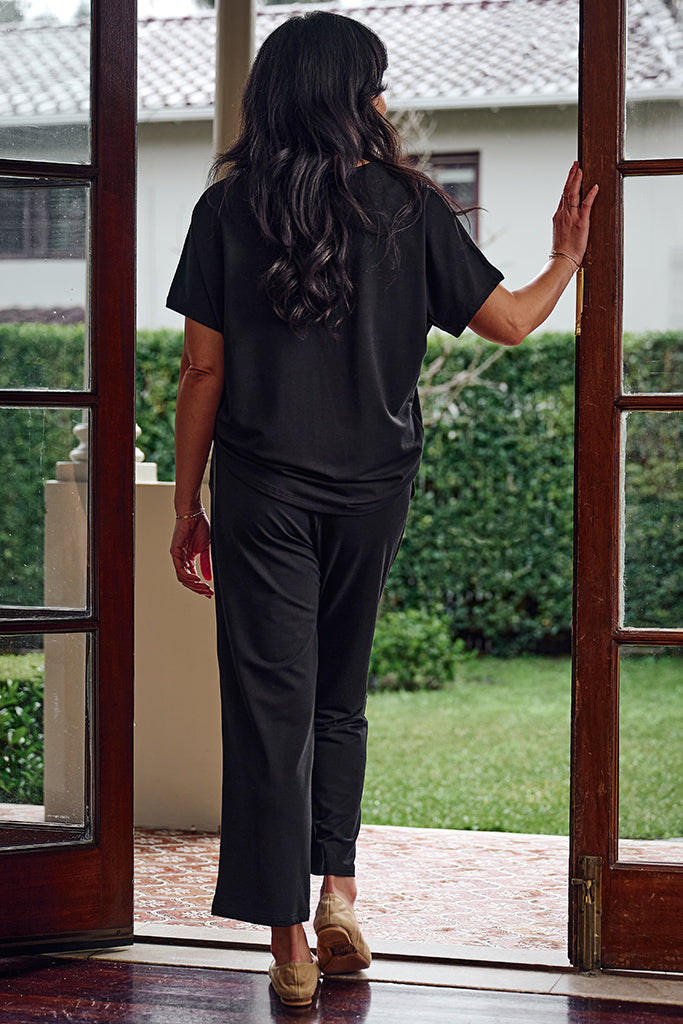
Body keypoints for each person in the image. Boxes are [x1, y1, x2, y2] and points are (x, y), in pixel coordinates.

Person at [167, 10, 597, 1008]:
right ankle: (339, 890)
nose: (385, 102)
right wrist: (565, 255)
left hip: (262, 492)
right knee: (338, 695)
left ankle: (287, 947)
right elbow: (511, 324)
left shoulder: (225, 211)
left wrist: (188, 502)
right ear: (344, 97)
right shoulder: (410, 207)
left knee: (270, 709)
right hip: (372, 488)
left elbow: (200, 368)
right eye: (374, 85)